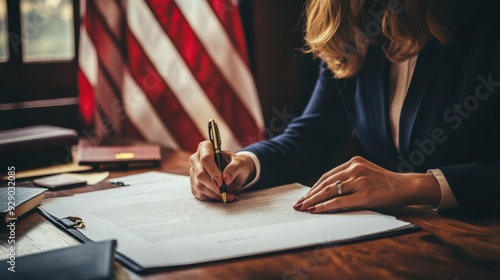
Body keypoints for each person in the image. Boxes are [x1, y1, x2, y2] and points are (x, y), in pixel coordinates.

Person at [189, 0, 500, 216]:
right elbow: (314, 133)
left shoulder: (484, 17)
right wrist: (244, 163)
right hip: (397, 237)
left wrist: (420, 185)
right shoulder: (360, 19)